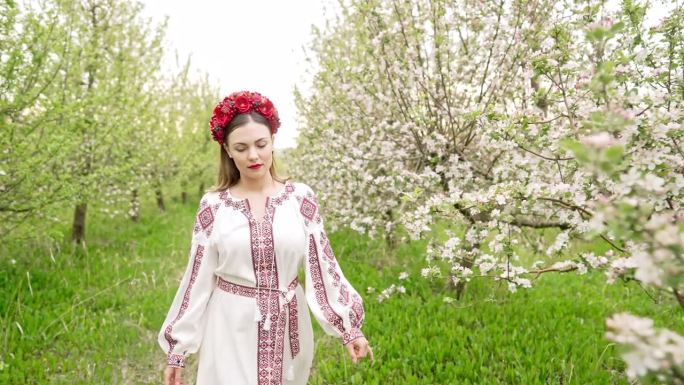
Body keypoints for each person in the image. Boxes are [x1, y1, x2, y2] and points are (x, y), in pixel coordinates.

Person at [158, 91, 373, 385]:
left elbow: (322, 265)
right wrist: (177, 349)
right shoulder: (214, 205)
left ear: (273, 141)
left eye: (261, 144)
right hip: (230, 324)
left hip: (288, 324)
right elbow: (197, 276)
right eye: (242, 147)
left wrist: (348, 327)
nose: (254, 155)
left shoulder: (300, 198)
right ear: (228, 150)